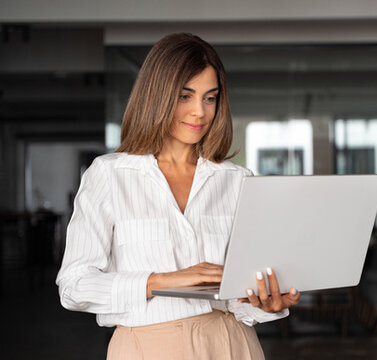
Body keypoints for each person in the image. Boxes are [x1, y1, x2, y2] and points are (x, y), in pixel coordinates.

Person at [55, 33, 299, 359]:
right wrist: (163, 281)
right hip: (145, 347)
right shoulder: (109, 175)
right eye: (185, 96)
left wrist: (266, 305)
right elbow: (73, 287)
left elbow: (239, 302)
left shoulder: (237, 180)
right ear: (157, 96)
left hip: (232, 344)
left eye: (210, 98)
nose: (199, 111)